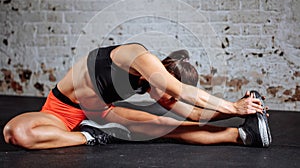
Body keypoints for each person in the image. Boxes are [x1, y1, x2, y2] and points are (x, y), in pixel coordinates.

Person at [3, 43, 272, 149]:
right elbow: (182, 92)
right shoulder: (137, 56)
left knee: (168, 127)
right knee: (15, 133)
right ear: (161, 77)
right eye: (168, 96)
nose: (168, 103)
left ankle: (244, 135)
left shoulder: (156, 85)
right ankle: (90, 135)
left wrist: (243, 111)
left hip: (101, 113)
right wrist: (233, 105)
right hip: (62, 113)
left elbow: (191, 113)